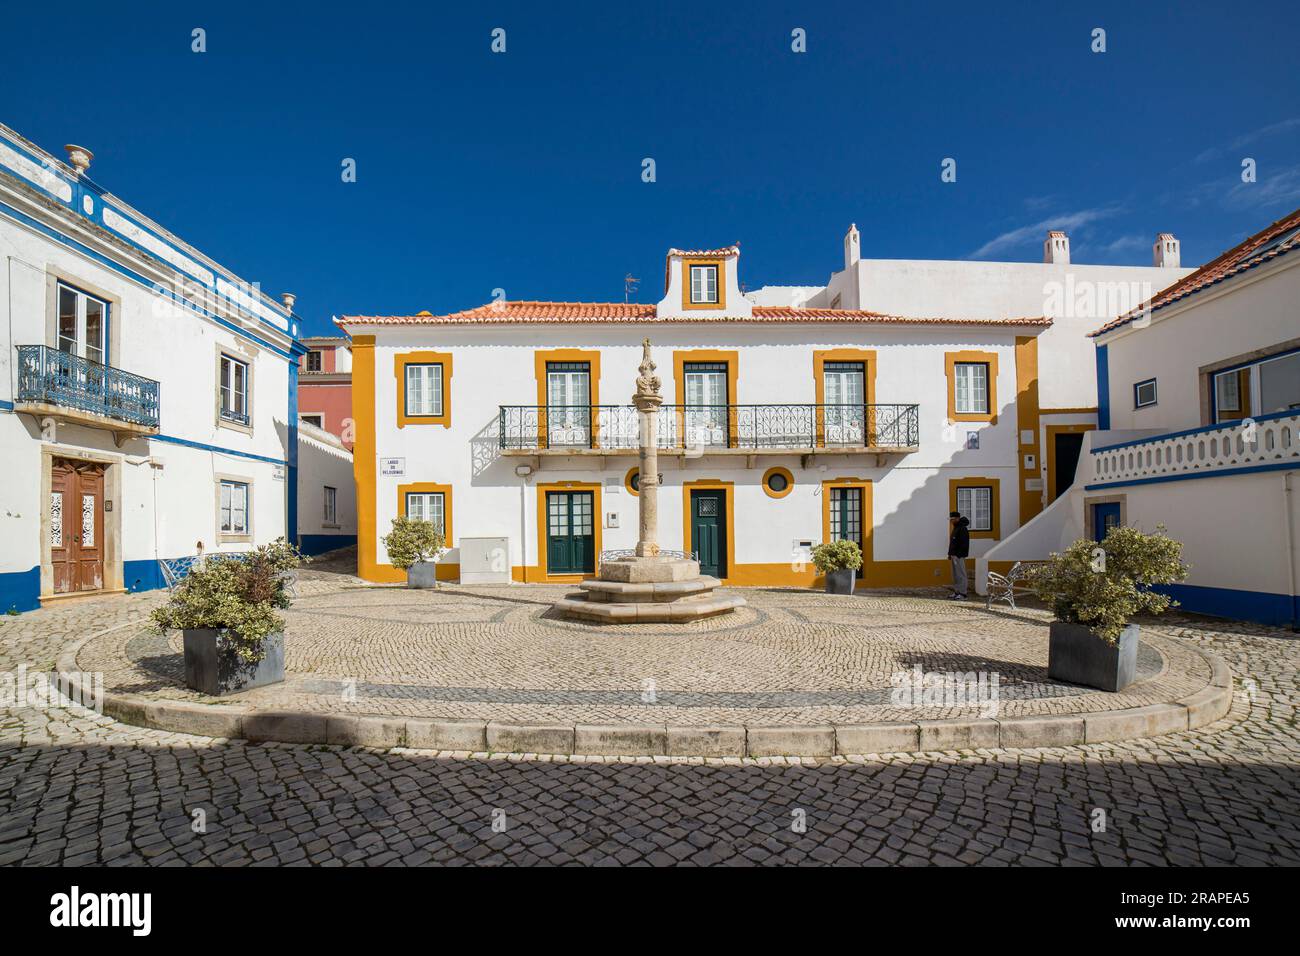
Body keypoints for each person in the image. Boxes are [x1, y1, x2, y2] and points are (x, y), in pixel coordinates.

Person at [947, 511, 970, 599]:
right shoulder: (956, 527)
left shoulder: (962, 528)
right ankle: (957, 592)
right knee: (955, 575)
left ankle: (963, 594)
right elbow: (953, 542)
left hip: (959, 556)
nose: (951, 521)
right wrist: (950, 554)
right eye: (950, 519)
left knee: (961, 574)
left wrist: (959, 555)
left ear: (957, 518)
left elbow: (964, 543)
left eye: (952, 519)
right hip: (953, 555)